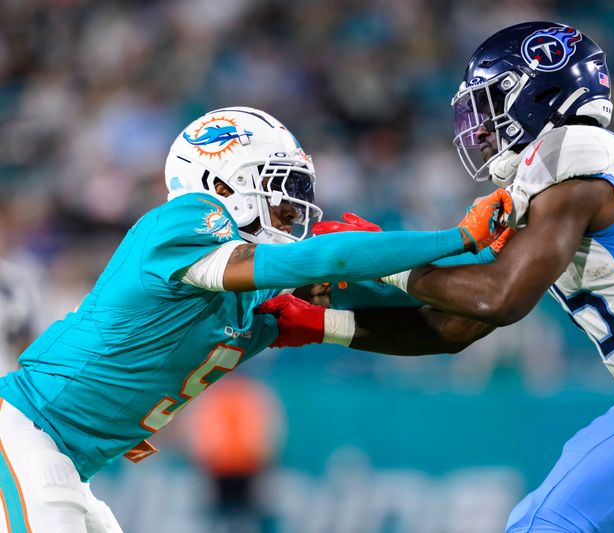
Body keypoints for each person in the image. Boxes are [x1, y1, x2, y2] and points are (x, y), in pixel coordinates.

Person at [262, 24, 614, 532]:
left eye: (492, 102)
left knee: (544, 524)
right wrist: (321, 324)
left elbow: (499, 297)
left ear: (539, 93)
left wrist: (383, 260)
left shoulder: (571, 159)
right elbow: (453, 329)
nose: (482, 125)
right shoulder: (564, 186)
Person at [0, 106, 509, 532]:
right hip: (25, 429)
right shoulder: (178, 225)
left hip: (69, 461)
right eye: (279, 185)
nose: (293, 209)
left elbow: (441, 326)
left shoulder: (256, 303)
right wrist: (455, 238)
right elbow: (310, 260)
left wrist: (483, 269)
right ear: (221, 181)